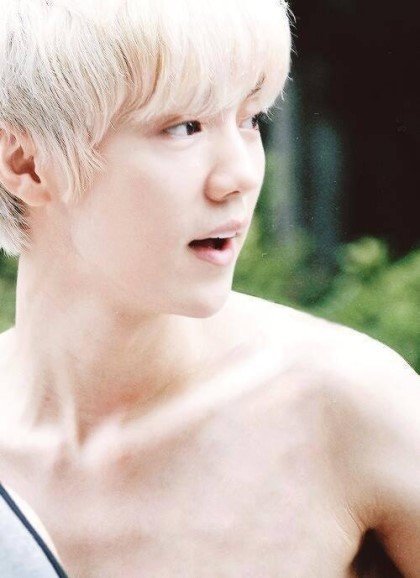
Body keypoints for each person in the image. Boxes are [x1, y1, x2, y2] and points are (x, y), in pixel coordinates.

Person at [0, 0, 418, 576]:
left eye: (251, 119)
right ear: (26, 164)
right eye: (184, 127)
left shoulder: (345, 407)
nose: (240, 175)